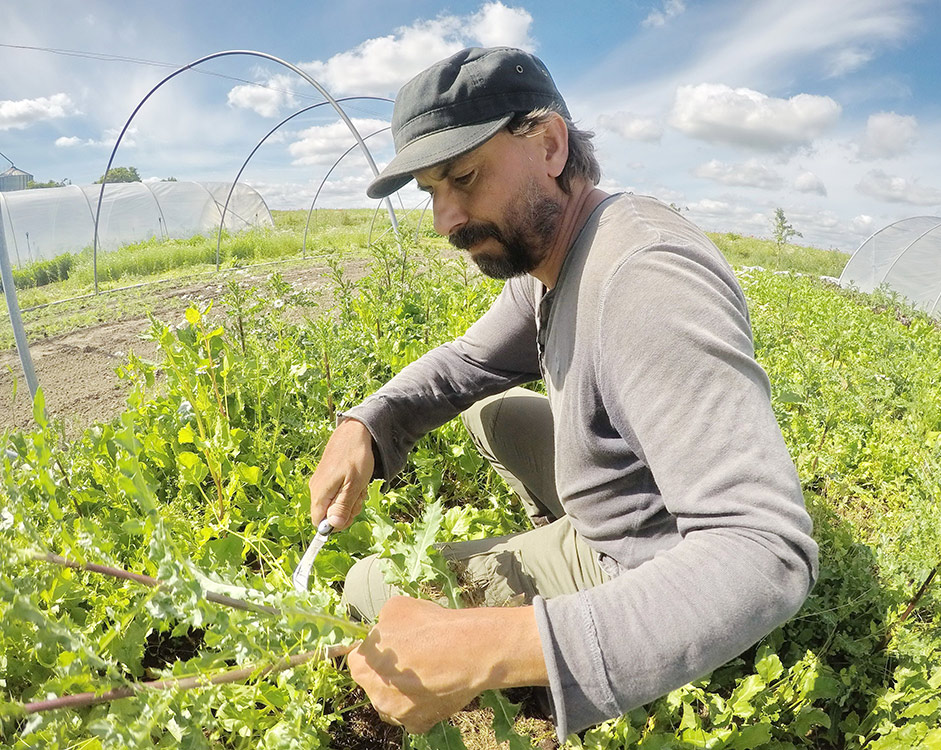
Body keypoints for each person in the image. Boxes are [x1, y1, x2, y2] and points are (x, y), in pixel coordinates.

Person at [307, 46, 818, 742]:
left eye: (463, 176)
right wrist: (365, 424)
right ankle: (561, 543)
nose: (445, 219)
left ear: (549, 145)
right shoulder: (553, 252)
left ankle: (585, 608)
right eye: (432, 190)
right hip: (631, 496)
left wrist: (497, 644)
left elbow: (764, 553)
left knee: (369, 588)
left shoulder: (644, 281)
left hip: (655, 567)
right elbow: (466, 365)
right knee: (491, 412)